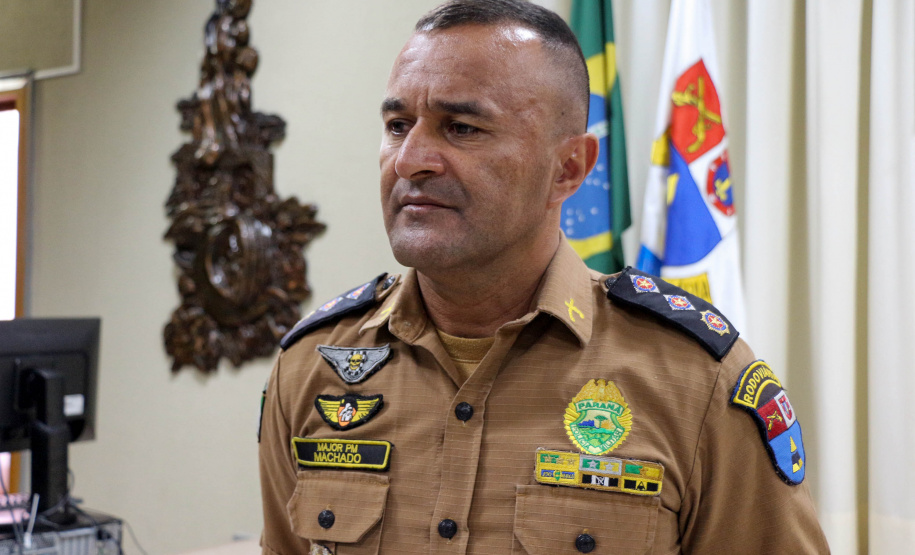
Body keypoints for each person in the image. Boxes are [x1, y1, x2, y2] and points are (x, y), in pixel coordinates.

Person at [258, 1, 830, 553]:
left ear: (569, 168)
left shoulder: (694, 380)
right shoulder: (312, 365)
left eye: (461, 128)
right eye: (397, 125)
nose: (409, 159)